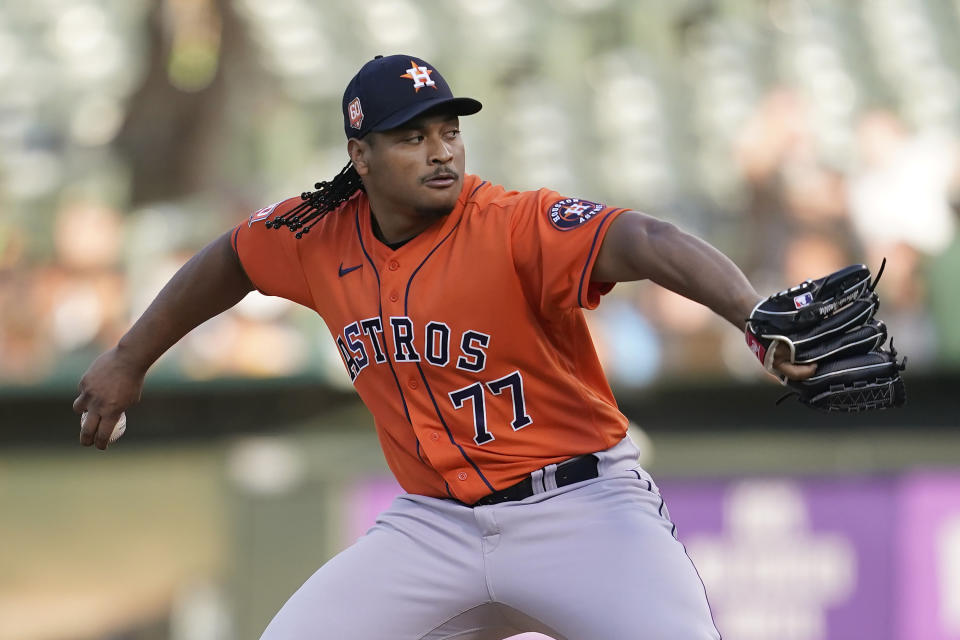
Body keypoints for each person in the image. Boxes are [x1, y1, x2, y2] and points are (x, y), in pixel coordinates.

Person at [74, 54, 812, 640]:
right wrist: (130, 357)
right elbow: (231, 259)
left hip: (581, 509)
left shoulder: (512, 224)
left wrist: (750, 313)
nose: (441, 152)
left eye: (449, 131)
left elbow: (646, 238)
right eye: (412, 136)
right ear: (359, 156)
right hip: (436, 525)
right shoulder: (317, 231)